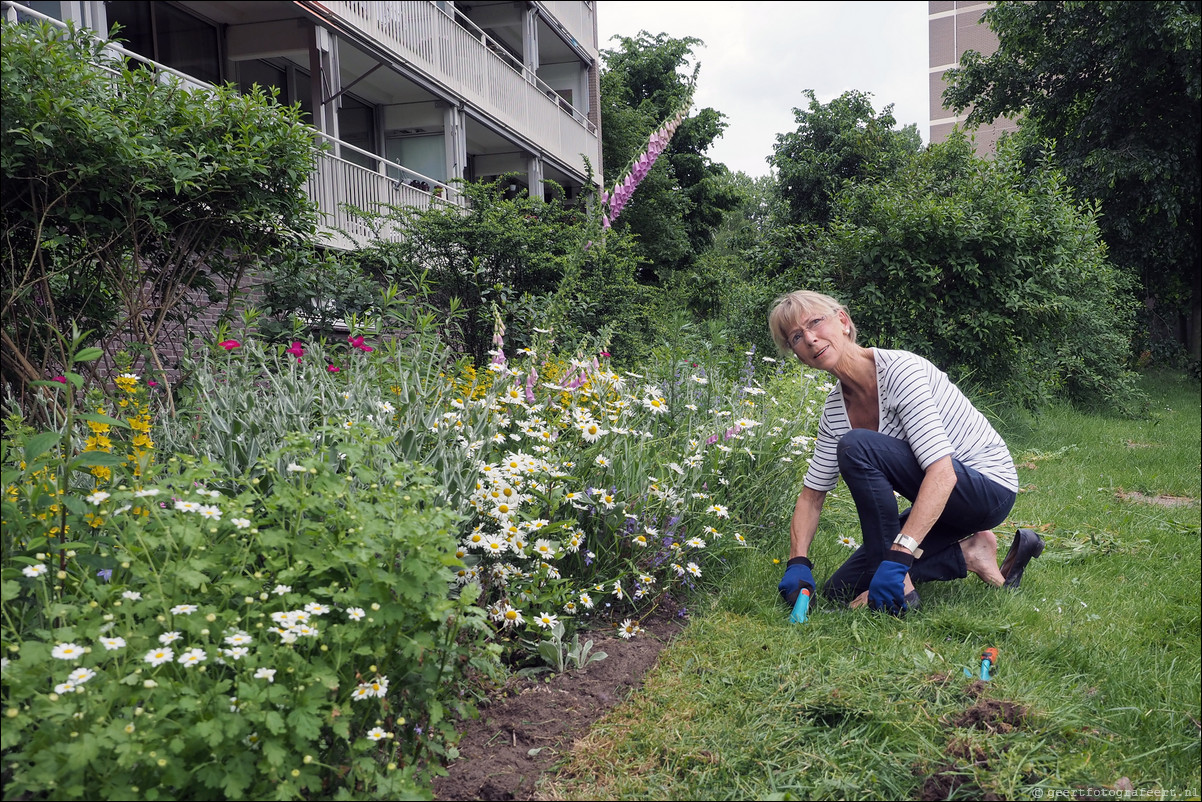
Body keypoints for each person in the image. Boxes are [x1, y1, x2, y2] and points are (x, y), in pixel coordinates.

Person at [769, 290, 1044, 615]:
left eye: (816, 322)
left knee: (856, 446)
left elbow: (943, 473)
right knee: (838, 592)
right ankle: (971, 553)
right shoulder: (834, 411)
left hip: (986, 488)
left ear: (842, 321)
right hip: (939, 500)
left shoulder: (899, 371)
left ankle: (900, 587)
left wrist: (899, 558)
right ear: (797, 354)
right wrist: (797, 561)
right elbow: (812, 495)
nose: (811, 339)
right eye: (797, 337)